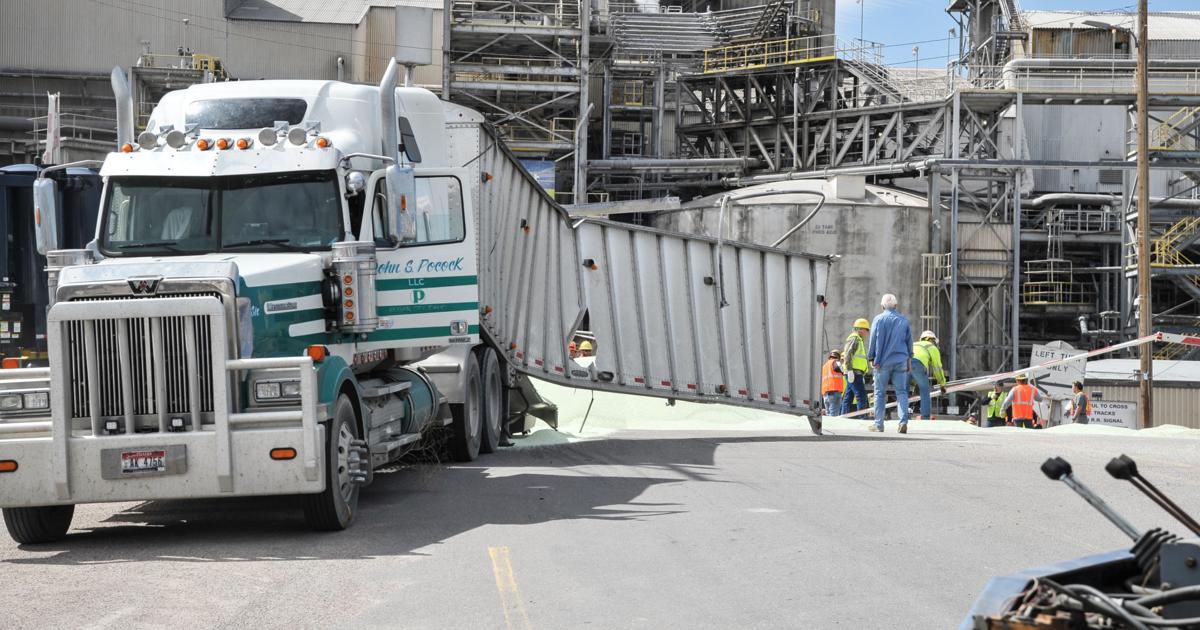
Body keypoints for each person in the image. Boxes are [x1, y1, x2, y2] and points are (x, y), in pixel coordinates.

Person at [867, 293, 913, 433]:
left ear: (882, 306)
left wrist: (871, 358)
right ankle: (903, 422)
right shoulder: (904, 321)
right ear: (896, 306)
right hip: (901, 360)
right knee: (902, 392)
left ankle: (879, 424)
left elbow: (873, 340)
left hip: (882, 362)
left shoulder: (878, 319)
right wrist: (909, 359)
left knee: (880, 393)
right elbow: (909, 342)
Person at [911, 330, 947, 420]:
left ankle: (902, 415)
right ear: (933, 340)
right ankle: (925, 417)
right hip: (918, 365)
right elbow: (937, 368)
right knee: (925, 391)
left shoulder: (914, 344)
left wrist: (913, 384)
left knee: (902, 391)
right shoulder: (932, 347)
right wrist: (942, 384)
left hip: (903, 363)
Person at [840, 318, 871, 415]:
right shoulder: (855, 338)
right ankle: (863, 416)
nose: (867, 333)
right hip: (854, 372)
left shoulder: (858, 339)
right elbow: (848, 354)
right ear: (861, 330)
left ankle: (844, 416)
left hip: (855, 373)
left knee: (848, 396)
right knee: (861, 396)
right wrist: (849, 370)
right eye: (867, 330)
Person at [821, 350, 845, 415]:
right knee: (833, 416)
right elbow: (843, 371)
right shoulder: (836, 362)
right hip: (834, 392)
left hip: (825, 394)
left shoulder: (824, 366)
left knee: (828, 414)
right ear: (838, 357)